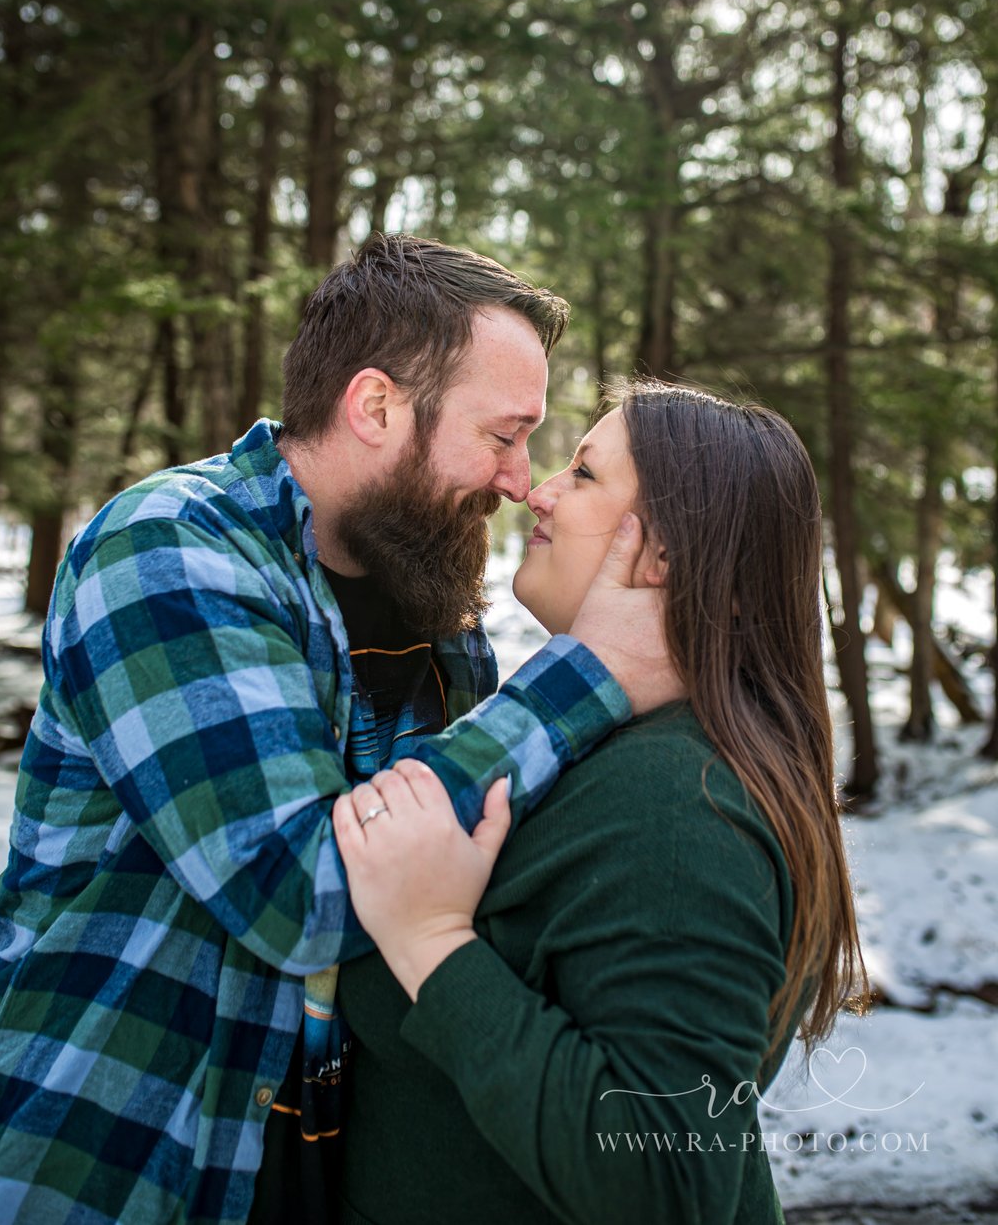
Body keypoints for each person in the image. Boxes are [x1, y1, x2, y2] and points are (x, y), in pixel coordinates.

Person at [0, 236, 674, 1225]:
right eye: (501, 434)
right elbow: (299, 893)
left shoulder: (431, 591)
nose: (519, 479)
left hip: (334, 1173)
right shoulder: (172, 549)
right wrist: (596, 677)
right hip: (127, 1159)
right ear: (375, 407)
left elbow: (465, 863)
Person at [332, 381, 871, 1225]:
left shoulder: (680, 803)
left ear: (666, 556)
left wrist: (432, 945)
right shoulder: (619, 752)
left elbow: (668, 1180)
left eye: (582, 475)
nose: (537, 491)